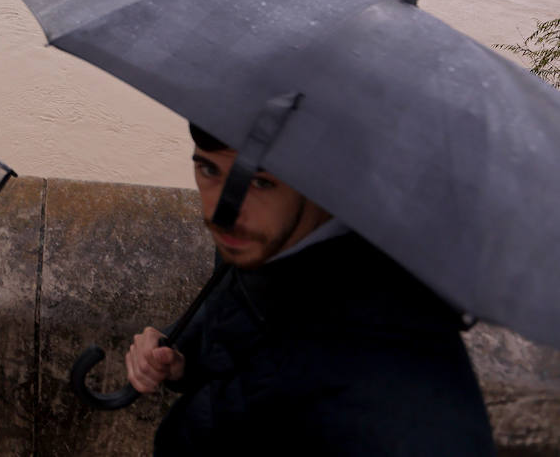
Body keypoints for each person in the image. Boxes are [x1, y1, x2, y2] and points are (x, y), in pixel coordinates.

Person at [124, 122, 495, 455]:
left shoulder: (390, 337)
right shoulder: (263, 243)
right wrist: (182, 359)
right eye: (208, 169)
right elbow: (234, 326)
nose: (224, 211)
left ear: (322, 182)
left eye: (261, 181)